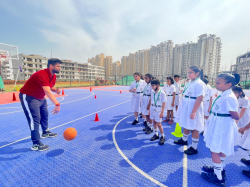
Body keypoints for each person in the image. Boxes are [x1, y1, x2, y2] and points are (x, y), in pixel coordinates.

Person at [201, 74, 240, 186]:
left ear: (228, 84)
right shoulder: (224, 94)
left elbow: (236, 116)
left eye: (218, 83)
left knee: (214, 150)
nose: (215, 84)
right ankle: (218, 169)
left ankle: (218, 178)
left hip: (221, 127)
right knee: (219, 148)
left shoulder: (229, 97)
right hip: (219, 124)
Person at [19, 58, 62, 151]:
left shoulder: (53, 76)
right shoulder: (42, 74)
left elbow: (50, 87)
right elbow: (47, 91)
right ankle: (36, 144)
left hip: (40, 97)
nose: (60, 68)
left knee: (45, 115)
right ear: (51, 66)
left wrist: (55, 90)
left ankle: (45, 132)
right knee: (35, 119)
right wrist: (57, 104)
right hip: (29, 97)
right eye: (58, 66)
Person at [174, 66, 206, 155]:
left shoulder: (199, 83)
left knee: (194, 127)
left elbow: (200, 98)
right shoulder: (190, 82)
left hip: (192, 107)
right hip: (186, 106)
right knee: (186, 123)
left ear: (197, 73)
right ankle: (184, 140)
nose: (188, 74)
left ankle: (194, 147)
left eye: (191, 72)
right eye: (188, 72)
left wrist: (193, 112)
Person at [147, 79, 167, 145]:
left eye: (153, 85)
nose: (152, 87)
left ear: (157, 85)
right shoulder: (152, 92)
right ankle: (156, 134)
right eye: (151, 86)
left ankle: (162, 136)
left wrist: (162, 112)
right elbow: (151, 101)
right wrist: (149, 110)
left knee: (159, 124)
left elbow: (164, 103)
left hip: (158, 109)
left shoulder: (162, 93)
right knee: (154, 122)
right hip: (153, 108)